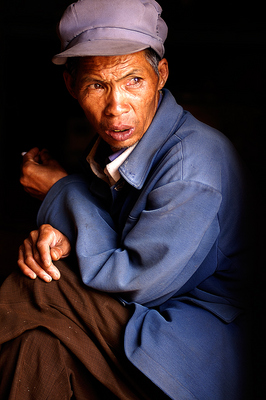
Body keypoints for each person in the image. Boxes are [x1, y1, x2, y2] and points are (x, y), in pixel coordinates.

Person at [0, 0, 252, 399]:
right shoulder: (114, 147)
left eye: (133, 80)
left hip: (192, 343)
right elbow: (108, 230)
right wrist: (62, 241)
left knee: (40, 286)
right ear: (71, 87)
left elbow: (135, 286)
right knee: (39, 344)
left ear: (160, 75)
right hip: (141, 323)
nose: (116, 107)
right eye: (97, 85)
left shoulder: (193, 163)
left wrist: (61, 191)